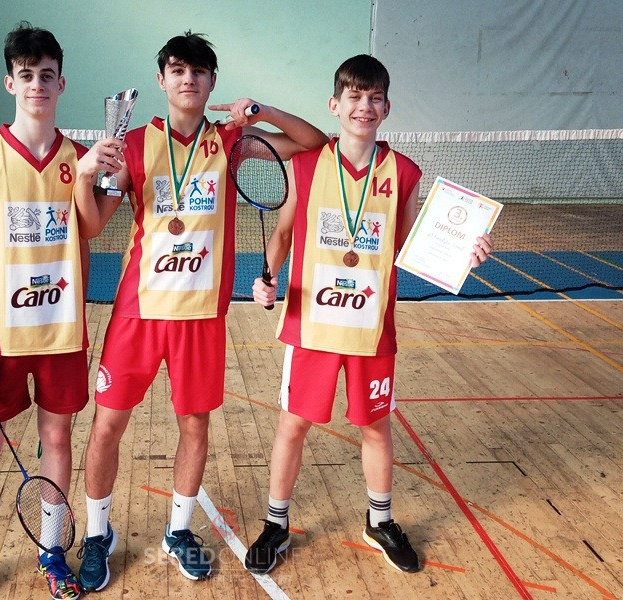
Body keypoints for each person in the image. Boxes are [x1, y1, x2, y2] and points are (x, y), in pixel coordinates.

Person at [73, 31, 329, 591]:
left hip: (202, 316)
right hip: (138, 312)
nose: (188, 79)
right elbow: (91, 225)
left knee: (195, 426)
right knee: (108, 424)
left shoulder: (232, 142)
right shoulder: (133, 145)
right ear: (162, 80)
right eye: (177, 70)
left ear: (213, 81)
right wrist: (89, 173)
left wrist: (262, 111)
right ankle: (96, 534)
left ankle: (178, 530)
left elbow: (312, 143)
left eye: (199, 71)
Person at [245, 54, 493, 575]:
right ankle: (275, 523)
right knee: (293, 425)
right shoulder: (306, 165)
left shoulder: (404, 172)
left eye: (375, 98)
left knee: (376, 426)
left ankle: (379, 521)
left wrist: (462, 253)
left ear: (387, 107)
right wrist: (267, 278)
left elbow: (410, 247)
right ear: (335, 105)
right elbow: (283, 234)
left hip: (371, 326)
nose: (365, 106)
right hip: (312, 324)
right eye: (354, 97)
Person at [0, 21, 124, 600]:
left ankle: (52, 551)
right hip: (0, 336)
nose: (37, 85)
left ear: (62, 83)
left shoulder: (79, 158)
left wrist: (100, 178)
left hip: (62, 331)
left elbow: (90, 228)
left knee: (58, 441)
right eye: (27, 75)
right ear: (10, 83)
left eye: (47, 75)